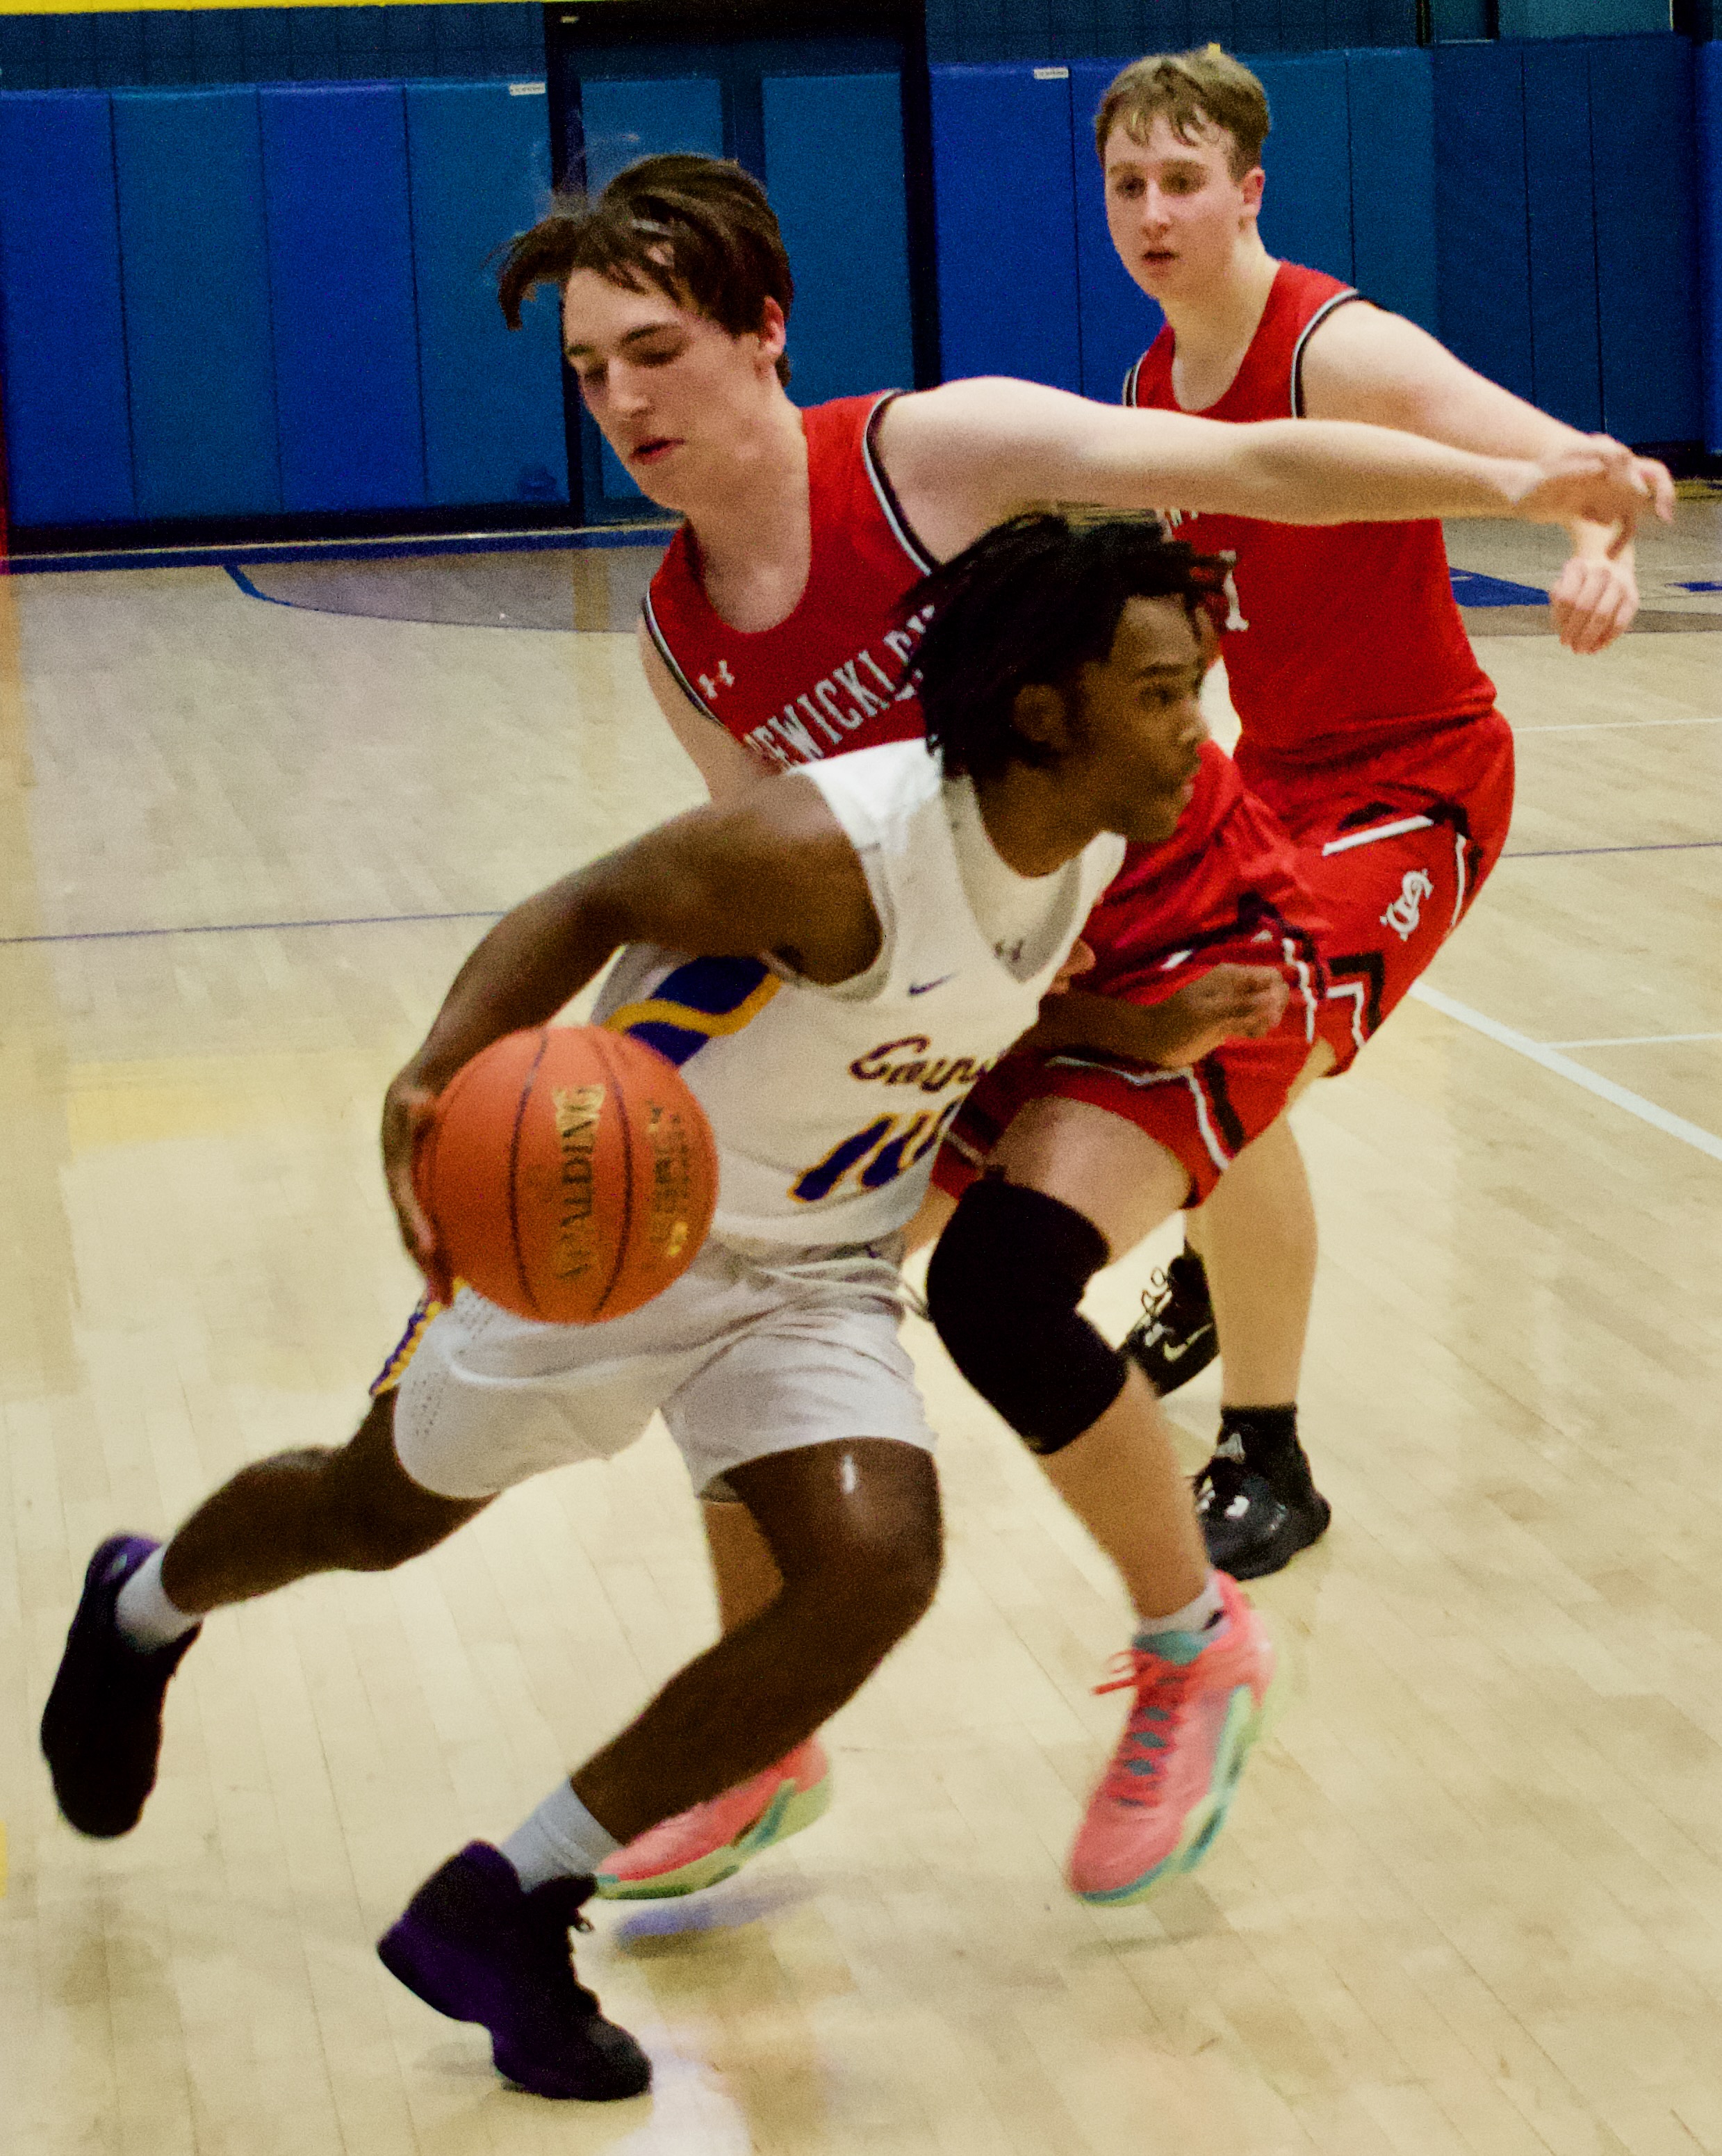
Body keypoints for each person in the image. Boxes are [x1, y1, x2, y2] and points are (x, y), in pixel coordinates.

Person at [484, 155, 1671, 1904]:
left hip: (1196, 924)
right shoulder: (680, 634)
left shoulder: (926, 461)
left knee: (999, 1288)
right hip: (1004, 989)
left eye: (655, 350)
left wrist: (1520, 477)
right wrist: (603, 1086)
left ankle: (1195, 1640)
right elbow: (772, 895)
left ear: (762, 335)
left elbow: (1248, 464)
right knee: (719, 1285)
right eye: (589, 370)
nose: (623, 401)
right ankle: (757, 1733)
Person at [39, 513, 1282, 2098]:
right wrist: (435, 1072)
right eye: (1167, 692)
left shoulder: (1076, 840)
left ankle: (512, 1900)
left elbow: (994, 988)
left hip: (813, 1272)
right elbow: (589, 902)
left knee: (872, 1567)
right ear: (1046, 712)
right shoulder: (830, 846)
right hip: (609, 1243)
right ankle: (142, 1608)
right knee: (372, 1513)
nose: (1200, 726)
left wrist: (1141, 1023)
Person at [1085, 45, 1645, 1578]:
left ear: (1248, 190)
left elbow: (1562, 461)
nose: (1153, 212)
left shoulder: (1335, 345)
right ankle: (1219, 1251)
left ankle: (1270, 1453)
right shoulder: (1151, 390)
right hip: (1271, 780)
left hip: (1421, 778)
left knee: (1242, 1039)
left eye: (1182, 182)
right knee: (1132, 1001)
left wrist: (1597, 546)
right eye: (1129, 184)